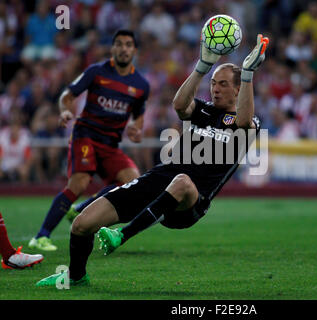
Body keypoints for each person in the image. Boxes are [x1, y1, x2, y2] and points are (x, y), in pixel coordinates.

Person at [35, 33, 269, 287]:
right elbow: (179, 105)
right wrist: (202, 65)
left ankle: (122, 235)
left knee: (182, 181)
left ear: (238, 89)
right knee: (82, 225)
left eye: (223, 84)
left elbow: (244, 120)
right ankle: (76, 276)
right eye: (213, 83)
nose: (215, 88)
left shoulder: (248, 122)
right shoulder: (203, 110)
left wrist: (247, 73)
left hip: (191, 202)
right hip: (159, 180)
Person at [28, 30, 150, 251]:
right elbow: (68, 95)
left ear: (134, 50)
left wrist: (137, 128)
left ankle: (82, 207)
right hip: (86, 136)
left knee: (133, 183)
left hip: (111, 145)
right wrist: (65, 111)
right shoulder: (96, 71)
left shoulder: (141, 84)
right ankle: (41, 236)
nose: (124, 48)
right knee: (80, 183)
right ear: (112, 49)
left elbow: (139, 115)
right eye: (119, 44)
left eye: (128, 45)